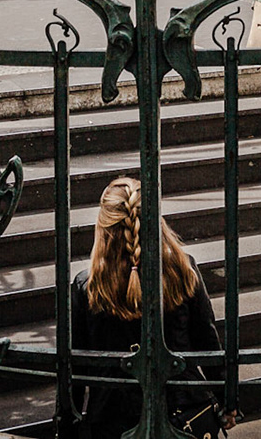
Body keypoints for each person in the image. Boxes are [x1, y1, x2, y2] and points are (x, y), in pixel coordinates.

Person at [69, 177, 227, 438]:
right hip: (182, 408)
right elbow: (207, 342)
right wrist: (227, 400)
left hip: (114, 418)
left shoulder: (88, 285)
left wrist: (68, 422)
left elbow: (76, 366)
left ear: (103, 227)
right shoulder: (182, 269)